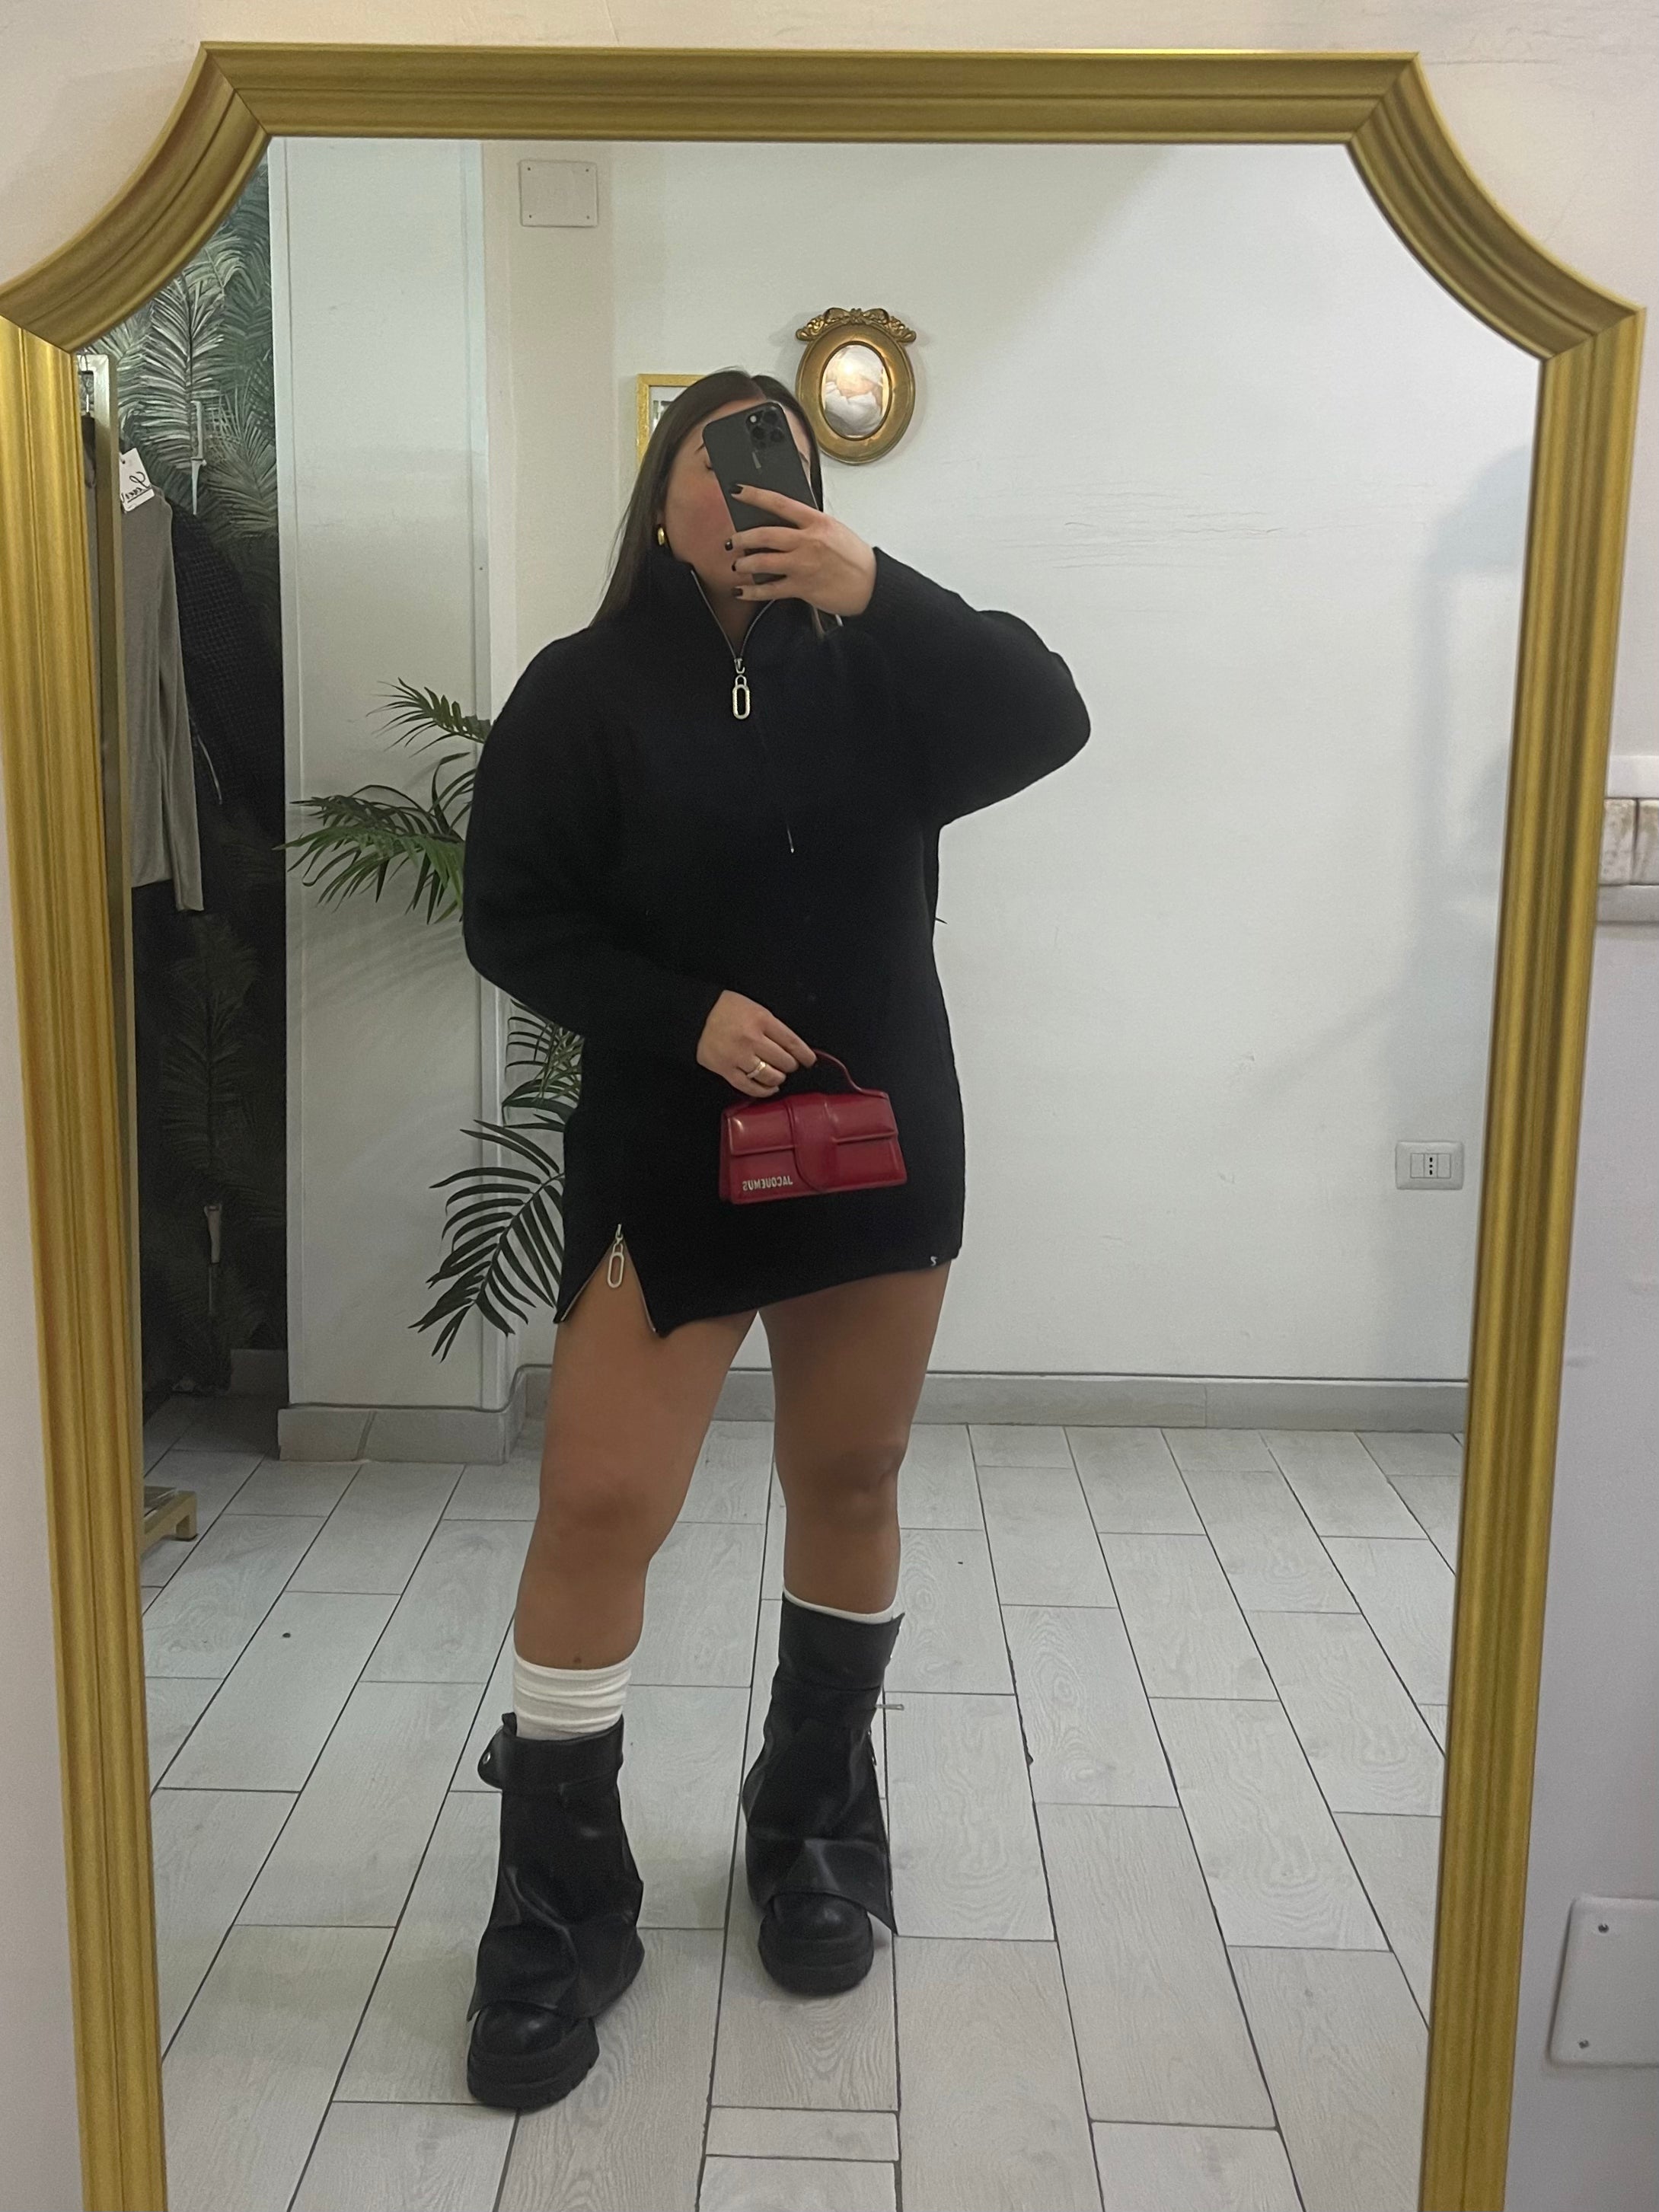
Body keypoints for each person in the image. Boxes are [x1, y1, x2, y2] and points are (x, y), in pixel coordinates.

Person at [458, 367, 1090, 2111]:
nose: (748, 490)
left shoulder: (889, 676)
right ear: (660, 498)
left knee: (854, 1474)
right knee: (599, 1500)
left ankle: (810, 1819)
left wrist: (877, 587)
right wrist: (682, 1014)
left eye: (781, 464)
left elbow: (1047, 713)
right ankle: (560, 1896)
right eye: (716, 460)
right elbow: (511, 918)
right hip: (673, 1149)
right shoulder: (583, 690)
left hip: (878, 1138)